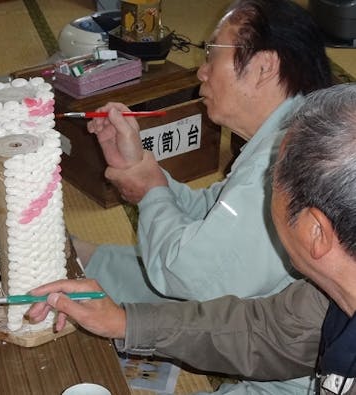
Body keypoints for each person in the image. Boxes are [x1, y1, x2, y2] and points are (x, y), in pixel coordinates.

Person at [29, 83, 356, 395]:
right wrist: (125, 323)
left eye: (275, 180)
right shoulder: (325, 296)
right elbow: (269, 331)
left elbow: (197, 280)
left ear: (316, 230)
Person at [77, 0, 332, 304]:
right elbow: (211, 212)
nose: (202, 72)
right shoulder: (291, 131)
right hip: (235, 291)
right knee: (97, 261)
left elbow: (188, 276)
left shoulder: (284, 165)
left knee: (120, 281)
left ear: (263, 68)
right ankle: (88, 260)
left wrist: (149, 193)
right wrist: (142, 168)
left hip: (258, 329)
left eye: (212, 54)